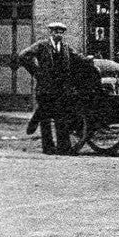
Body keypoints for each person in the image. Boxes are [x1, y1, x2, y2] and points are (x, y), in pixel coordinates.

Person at [19, 22, 85, 154]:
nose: (59, 34)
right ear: (51, 32)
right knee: (46, 119)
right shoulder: (42, 45)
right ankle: (48, 147)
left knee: (62, 117)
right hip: (46, 87)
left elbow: (77, 57)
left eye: (61, 32)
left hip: (61, 88)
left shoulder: (66, 47)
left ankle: (63, 148)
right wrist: (36, 72)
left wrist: (88, 59)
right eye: (56, 32)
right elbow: (23, 55)